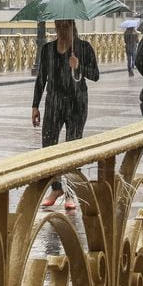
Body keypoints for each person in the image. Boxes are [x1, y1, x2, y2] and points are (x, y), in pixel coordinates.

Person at [31, 19, 100, 209]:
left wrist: (78, 66)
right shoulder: (47, 49)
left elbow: (95, 74)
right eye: (58, 26)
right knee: (49, 145)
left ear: (73, 27)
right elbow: (41, 78)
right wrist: (35, 105)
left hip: (77, 103)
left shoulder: (83, 48)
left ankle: (70, 191)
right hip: (54, 102)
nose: (62, 30)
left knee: (72, 146)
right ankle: (56, 187)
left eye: (66, 26)